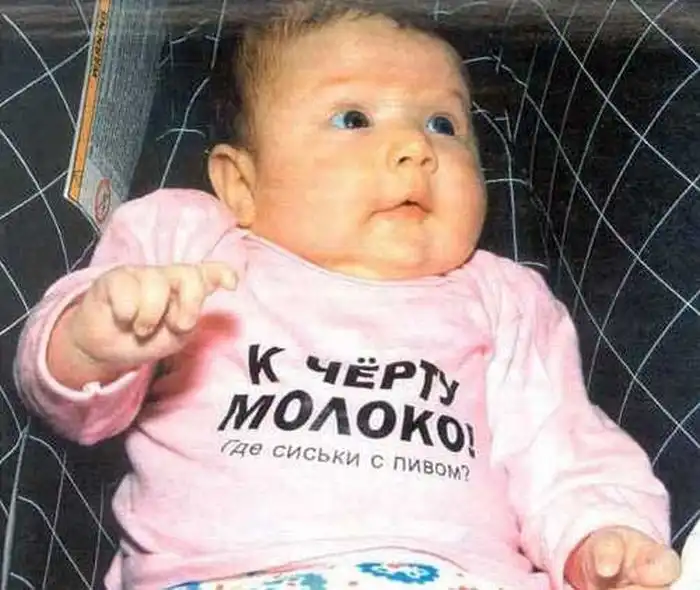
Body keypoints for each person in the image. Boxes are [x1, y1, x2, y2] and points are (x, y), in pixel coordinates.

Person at [14, 1, 682, 589]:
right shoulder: (189, 238)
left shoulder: (504, 298)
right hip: (219, 572)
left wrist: (603, 538)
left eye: (443, 124)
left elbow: (563, 450)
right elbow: (69, 399)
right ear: (240, 184)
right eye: (354, 118)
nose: (414, 148)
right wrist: (94, 342)